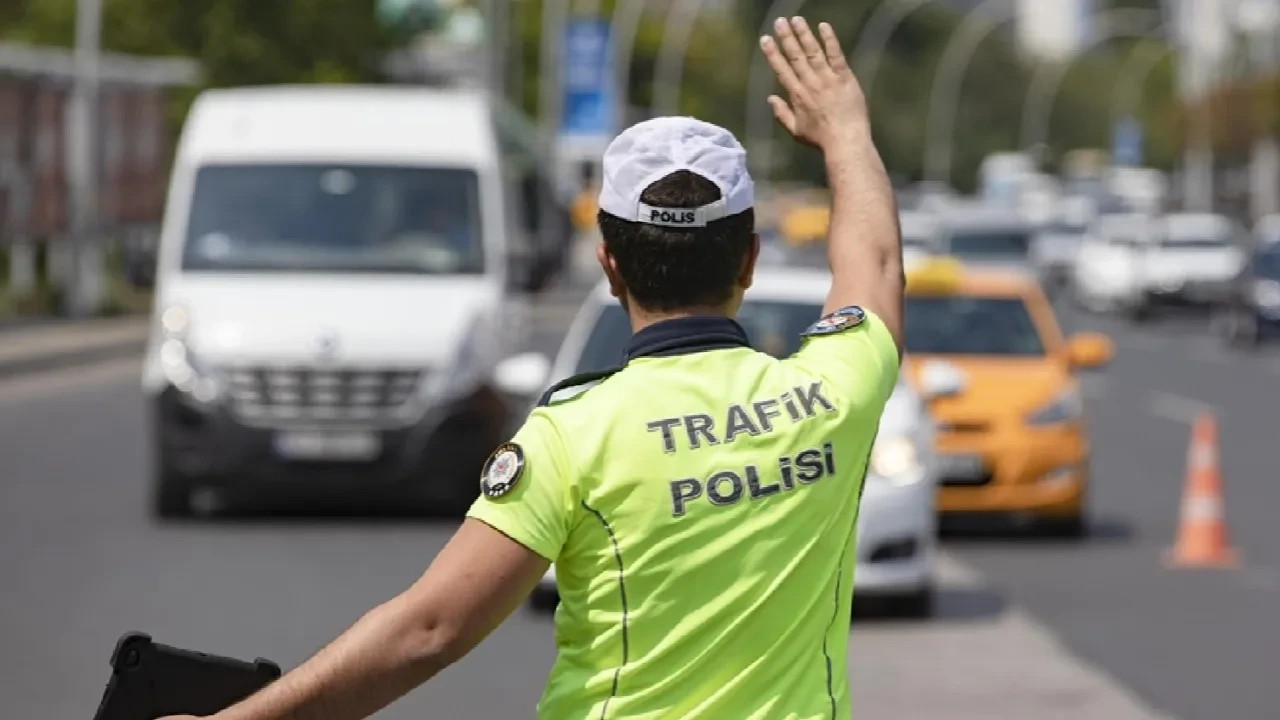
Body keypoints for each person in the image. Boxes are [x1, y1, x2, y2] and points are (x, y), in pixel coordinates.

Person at [162, 15, 903, 720]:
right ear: (749, 259)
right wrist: (845, 133)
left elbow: (429, 631)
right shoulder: (832, 394)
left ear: (608, 264)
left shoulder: (571, 438)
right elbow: (872, 263)